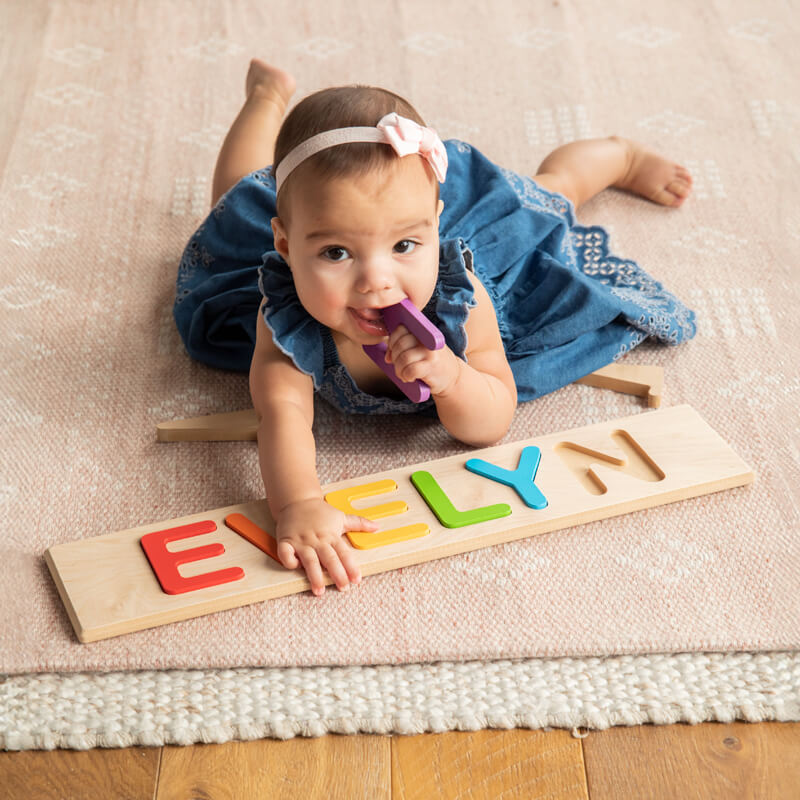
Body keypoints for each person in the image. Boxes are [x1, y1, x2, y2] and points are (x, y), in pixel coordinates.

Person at [174, 58, 696, 596]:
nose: (376, 281)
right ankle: (266, 98)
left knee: (550, 194)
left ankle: (619, 155)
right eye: (336, 252)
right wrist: (299, 503)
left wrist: (453, 377)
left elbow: (491, 421)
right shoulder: (284, 316)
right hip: (295, 232)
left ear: (435, 228)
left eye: (404, 245)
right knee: (235, 204)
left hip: (492, 253)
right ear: (286, 246)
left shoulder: (462, 301)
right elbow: (280, 414)